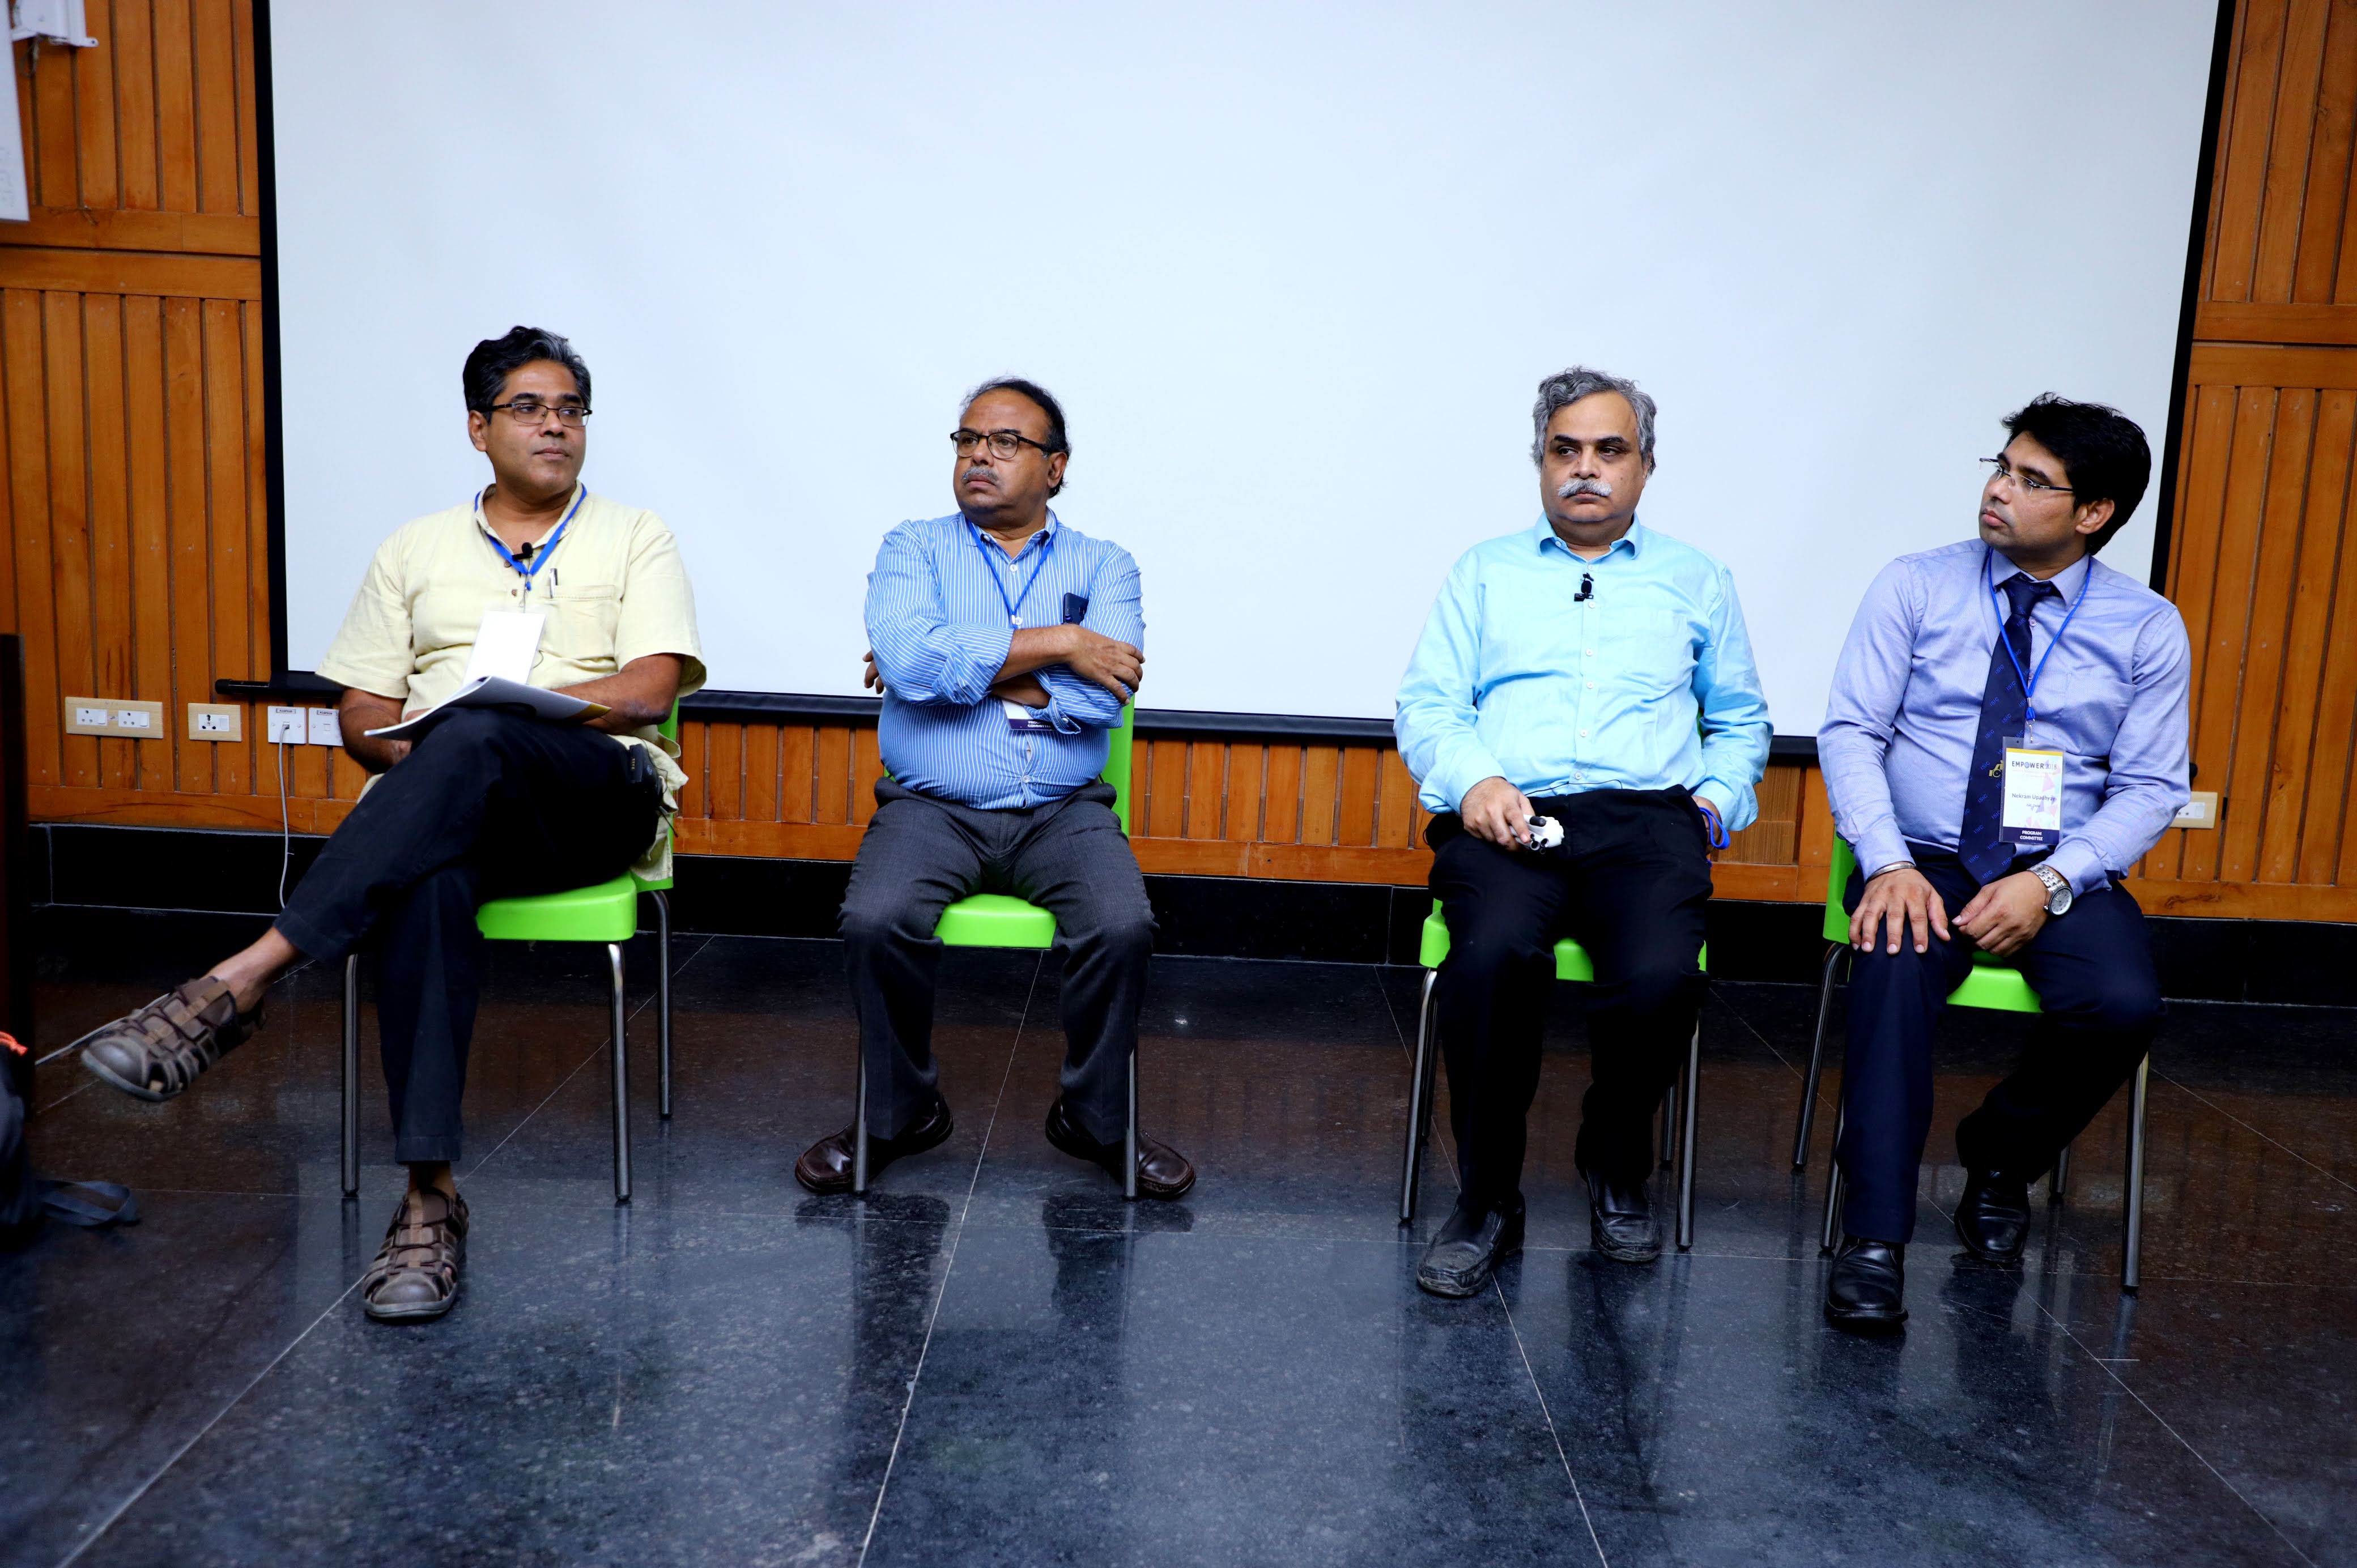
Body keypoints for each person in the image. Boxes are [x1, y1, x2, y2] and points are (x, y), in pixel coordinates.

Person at [77, 326, 704, 1323]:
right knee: (427, 876)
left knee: (482, 729)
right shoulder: (414, 548)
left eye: (570, 410)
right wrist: (427, 755)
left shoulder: (635, 534)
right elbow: (364, 713)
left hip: (592, 796)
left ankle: (241, 979)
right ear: (478, 428)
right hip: (454, 806)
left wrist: (508, 719)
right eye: (529, 409)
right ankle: (428, 1200)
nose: (555, 426)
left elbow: (648, 689)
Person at [1395, 366, 1771, 1298]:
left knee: (1659, 976)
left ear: (1645, 466)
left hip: (1646, 822)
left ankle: (1613, 1162)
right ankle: (1488, 1198)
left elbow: (1740, 720)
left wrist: (1714, 803)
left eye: (1610, 450)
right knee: (1489, 961)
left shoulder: (1696, 578)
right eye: (1565, 450)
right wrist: (1475, 780)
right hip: (1509, 814)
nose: (1586, 469)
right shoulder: (1485, 570)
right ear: (1541, 462)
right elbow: (1429, 706)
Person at [1816, 394, 2189, 1335]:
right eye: (2002, 468)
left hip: (2060, 866)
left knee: (2122, 1005)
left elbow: (2151, 786)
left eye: (2032, 481)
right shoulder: (1915, 586)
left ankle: (1999, 1157)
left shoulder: (2146, 627)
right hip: (1923, 857)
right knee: (1894, 963)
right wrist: (1886, 863)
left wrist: (2052, 880)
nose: (1998, 491)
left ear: (2093, 512)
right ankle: (1873, 1239)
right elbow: (1852, 732)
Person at [793, 378, 1194, 1199]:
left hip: (1064, 811)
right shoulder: (913, 548)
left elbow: (1103, 699)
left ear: (1056, 467)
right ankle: (900, 1113)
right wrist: (1064, 643)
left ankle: (1094, 1120)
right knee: (875, 920)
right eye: (968, 439)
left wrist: (959, 664)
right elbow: (908, 663)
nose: (980, 455)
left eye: (1007, 442)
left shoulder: (1106, 564)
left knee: (1122, 926)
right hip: (931, 808)